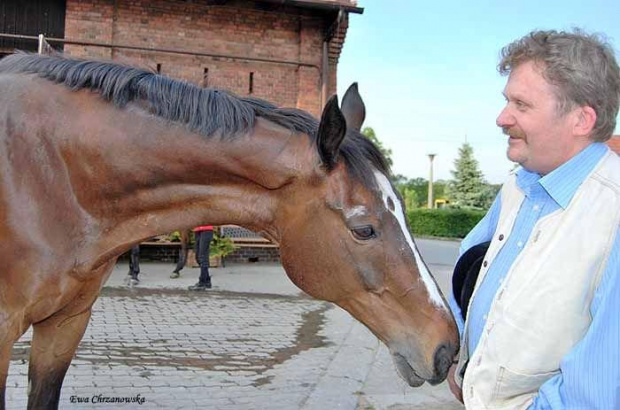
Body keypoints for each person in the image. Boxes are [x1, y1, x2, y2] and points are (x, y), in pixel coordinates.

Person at [448, 29, 620, 409]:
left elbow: (598, 389)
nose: (501, 117)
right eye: (506, 101)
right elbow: (471, 264)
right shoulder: (518, 184)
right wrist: (461, 356)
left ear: (581, 119)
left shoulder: (613, 211)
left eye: (521, 105)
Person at [188, 225, 214, 290]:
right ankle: (207, 281)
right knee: (198, 257)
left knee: (203, 257)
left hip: (207, 230)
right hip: (197, 230)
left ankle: (202, 282)